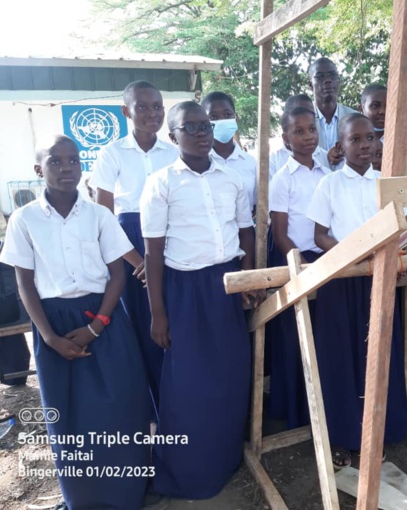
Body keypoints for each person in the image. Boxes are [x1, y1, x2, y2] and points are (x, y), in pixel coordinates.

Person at [0, 135, 151, 509]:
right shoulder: (24, 219)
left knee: (122, 405)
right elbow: (25, 282)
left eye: (73, 161)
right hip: (53, 322)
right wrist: (49, 338)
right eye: (55, 162)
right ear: (39, 170)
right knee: (69, 415)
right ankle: (84, 498)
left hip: (104, 316)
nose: (66, 168)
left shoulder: (99, 215)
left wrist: (97, 325)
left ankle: (130, 492)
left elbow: (117, 273)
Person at [141, 101, 262, 499]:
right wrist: (159, 314)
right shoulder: (160, 183)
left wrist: (247, 280)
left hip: (225, 286)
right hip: (184, 290)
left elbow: (245, 233)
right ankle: (188, 472)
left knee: (230, 377)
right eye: (189, 127)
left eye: (205, 125)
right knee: (189, 384)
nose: (200, 132)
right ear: (172, 136)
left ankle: (225, 458)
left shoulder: (230, 178)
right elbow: (153, 254)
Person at [306, 113, 407, 469]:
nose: (365, 146)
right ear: (341, 145)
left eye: (370, 139)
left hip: (380, 279)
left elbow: (405, 227)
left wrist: (392, 253)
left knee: (380, 353)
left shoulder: (387, 183)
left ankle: (383, 428)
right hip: (342, 279)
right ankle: (344, 436)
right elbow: (319, 235)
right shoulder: (329, 185)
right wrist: (350, 253)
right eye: (355, 140)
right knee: (341, 356)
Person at [90, 80, 178, 416]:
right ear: (126, 111)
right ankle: (150, 409)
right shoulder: (112, 153)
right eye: (142, 107)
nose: (151, 113)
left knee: (170, 321)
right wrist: (137, 260)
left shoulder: (172, 152)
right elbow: (103, 215)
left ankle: (176, 401)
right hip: (128, 243)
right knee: (142, 328)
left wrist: (158, 257)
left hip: (168, 242)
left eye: (157, 107)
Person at [267, 106, 330, 429]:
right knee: (296, 338)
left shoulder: (326, 171)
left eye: (311, 130)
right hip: (295, 260)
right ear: (286, 138)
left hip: (327, 258)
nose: (307, 137)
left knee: (323, 337)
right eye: (299, 132)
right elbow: (279, 233)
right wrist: (303, 265)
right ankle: (296, 411)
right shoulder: (282, 179)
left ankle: (325, 405)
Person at [201, 91, 257, 215]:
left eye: (227, 115)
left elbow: (257, 206)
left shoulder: (251, 164)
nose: (222, 121)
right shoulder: (198, 163)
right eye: (213, 117)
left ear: (235, 117)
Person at [269, 94, 331, 180]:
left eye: (311, 113)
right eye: (298, 111)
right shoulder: (273, 161)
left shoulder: (325, 157)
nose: (306, 117)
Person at [308, 57, 357, 153]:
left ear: (339, 81)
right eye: (320, 76)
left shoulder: (354, 118)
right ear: (310, 85)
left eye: (332, 75)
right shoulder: (303, 121)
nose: (327, 80)